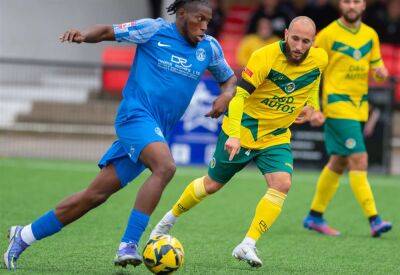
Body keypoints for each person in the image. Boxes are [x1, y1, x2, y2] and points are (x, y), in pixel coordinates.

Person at [3, 0, 236, 270]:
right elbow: (106, 31)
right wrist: (82, 36)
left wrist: (226, 95)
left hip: (155, 130)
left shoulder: (209, 47)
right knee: (165, 167)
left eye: (209, 20)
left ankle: (24, 235)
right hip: (135, 117)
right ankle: (128, 244)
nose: (205, 26)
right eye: (200, 19)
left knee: (94, 196)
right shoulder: (153, 30)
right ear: (181, 14)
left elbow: (228, 79)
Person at [151, 16, 328, 268]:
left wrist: (312, 106)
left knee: (282, 183)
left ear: (313, 42)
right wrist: (233, 134)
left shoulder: (319, 59)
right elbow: (238, 97)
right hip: (244, 129)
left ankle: (248, 244)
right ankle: (168, 219)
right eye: (295, 38)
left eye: (306, 41)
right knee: (211, 185)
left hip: (276, 135)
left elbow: (313, 82)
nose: (299, 46)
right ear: (286, 34)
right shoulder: (264, 56)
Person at [303, 0, 392, 237]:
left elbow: (378, 68)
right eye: (346, 1)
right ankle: (374, 219)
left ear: (363, 6)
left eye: (356, 1)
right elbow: (311, 71)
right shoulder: (328, 34)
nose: (351, 5)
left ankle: (314, 216)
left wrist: (381, 73)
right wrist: (313, 107)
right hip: (337, 105)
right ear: (340, 5)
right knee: (359, 158)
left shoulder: (370, 35)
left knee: (338, 162)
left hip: (359, 107)